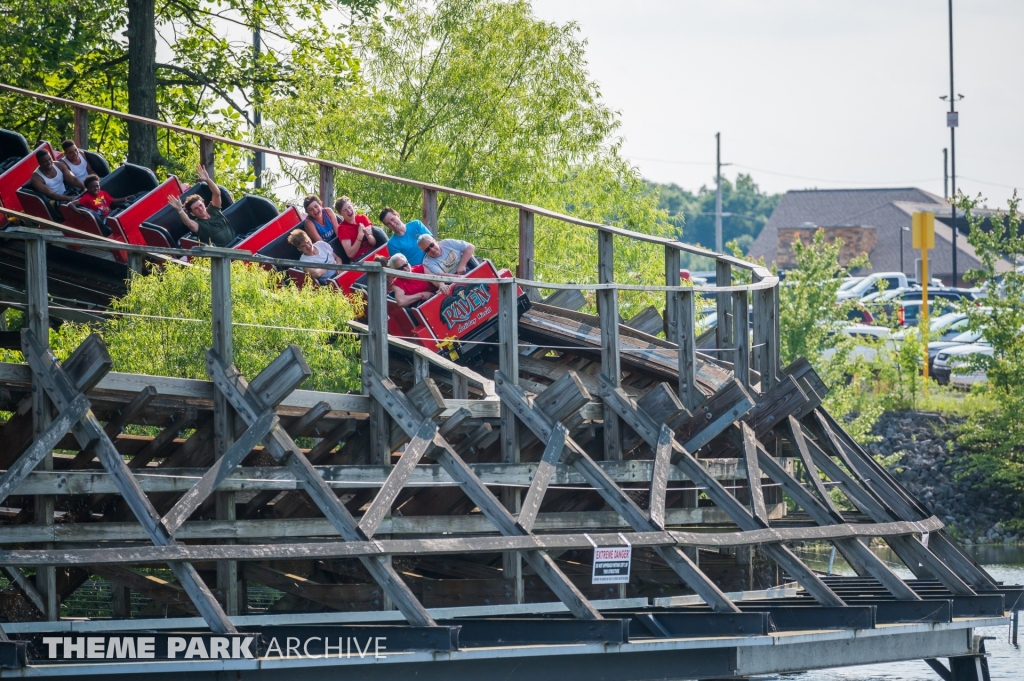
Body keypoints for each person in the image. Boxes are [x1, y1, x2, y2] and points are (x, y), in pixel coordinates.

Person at [165, 165, 235, 247]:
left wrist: (207, 180)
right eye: (196, 208)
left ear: (203, 204)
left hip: (236, 241)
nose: (200, 209)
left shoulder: (213, 210)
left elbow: (217, 194)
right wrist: (180, 209)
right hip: (224, 252)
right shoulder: (199, 225)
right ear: (193, 213)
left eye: (200, 205)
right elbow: (189, 223)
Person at [387, 252, 451, 307]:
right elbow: (401, 301)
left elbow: (434, 278)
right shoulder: (397, 284)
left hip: (437, 296)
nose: (405, 269)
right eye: (401, 268)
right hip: (421, 306)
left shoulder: (420, 268)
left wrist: (441, 285)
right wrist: (421, 295)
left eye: (405, 265)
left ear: (408, 262)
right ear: (396, 271)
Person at [334, 195, 376, 260]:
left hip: (373, 253)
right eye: (345, 210)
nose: (349, 211)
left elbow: (373, 243)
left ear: (352, 206)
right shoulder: (342, 228)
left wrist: (368, 235)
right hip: (360, 260)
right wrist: (360, 235)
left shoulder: (363, 218)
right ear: (340, 214)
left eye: (349, 207)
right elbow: (350, 254)